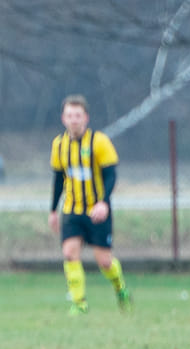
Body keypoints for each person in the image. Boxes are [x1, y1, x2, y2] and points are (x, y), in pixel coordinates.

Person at [49, 94, 131, 315]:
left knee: (104, 261)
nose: (73, 120)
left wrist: (104, 203)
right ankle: (79, 303)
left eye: (77, 115)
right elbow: (58, 178)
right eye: (69, 115)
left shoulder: (99, 142)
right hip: (72, 209)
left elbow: (111, 175)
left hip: (97, 211)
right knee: (69, 253)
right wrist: (52, 211)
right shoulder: (58, 145)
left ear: (85, 118)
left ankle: (120, 288)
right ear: (63, 118)